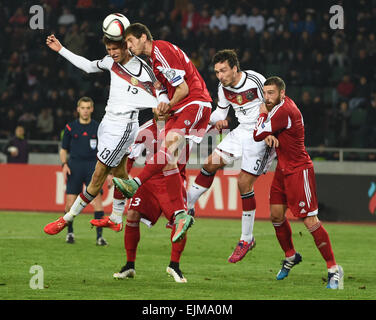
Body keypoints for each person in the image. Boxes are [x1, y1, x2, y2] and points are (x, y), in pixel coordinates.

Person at [44, 29, 167, 236]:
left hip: (124, 127)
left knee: (99, 174)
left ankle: (67, 218)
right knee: (119, 173)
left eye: (115, 49)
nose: (112, 53)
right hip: (108, 124)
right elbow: (88, 66)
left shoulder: (142, 70)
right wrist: (61, 49)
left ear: (126, 46)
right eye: (108, 49)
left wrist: (162, 106)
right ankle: (117, 218)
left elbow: (161, 92)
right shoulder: (111, 62)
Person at [112, 23, 212, 243]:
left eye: (130, 41)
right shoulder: (155, 61)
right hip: (182, 108)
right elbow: (167, 88)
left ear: (143, 37)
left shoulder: (161, 51)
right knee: (168, 160)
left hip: (194, 103)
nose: (128, 46)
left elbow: (183, 89)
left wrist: (168, 105)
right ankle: (181, 215)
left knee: (167, 147)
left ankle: (134, 184)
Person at [253, 76, 344, 289]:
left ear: (282, 94)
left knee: (310, 221)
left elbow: (257, 133)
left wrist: (262, 117)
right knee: (276, 215)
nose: (266, 98)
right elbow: (267, 133)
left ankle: (333, 269)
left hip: (298, 171)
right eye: (265, 93)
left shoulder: (283, 110)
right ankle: (291, 255)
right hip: (282, 170)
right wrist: (269, 133)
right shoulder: (280, 107)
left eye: (271, 93)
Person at [185, 49, 275, 263]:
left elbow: (275, 105)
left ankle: (246, 238)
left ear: (235, 68)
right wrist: (203, 118)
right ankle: (186, 207)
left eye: (223, 71)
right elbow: (221, 113)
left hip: (261, 133)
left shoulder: (256, 80)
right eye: (217, 72)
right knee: (210, 164)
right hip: (242, 131)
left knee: (243, 183)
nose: (220, 76)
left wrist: (271, 131)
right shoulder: (222, 88)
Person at [113, 109, 192, 282]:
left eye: (165, 105)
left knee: (180, 222)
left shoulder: (183, 124)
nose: (161, 109)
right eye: (157, 106)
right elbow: (130, 159)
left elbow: (209, 122)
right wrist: (123, 181)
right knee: (132, 215)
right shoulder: (144, 130)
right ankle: (129, 265)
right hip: (149, 180)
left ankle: (174, 266)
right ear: (152, 108)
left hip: (174, 179)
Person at [60, 96, 107, 245]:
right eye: (83, 108)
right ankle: (70, 233)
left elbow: (105, 149)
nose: (85, 111)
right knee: (70, 203)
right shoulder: (70, 127)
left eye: (88, 108)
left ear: (92, 109)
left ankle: (99, 237)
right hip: (74, 166)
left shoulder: (98, 127)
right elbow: (63, 149)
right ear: (78, 109)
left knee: (98, 202)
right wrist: (64, 164)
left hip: (93, 168)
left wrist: (108, 171)